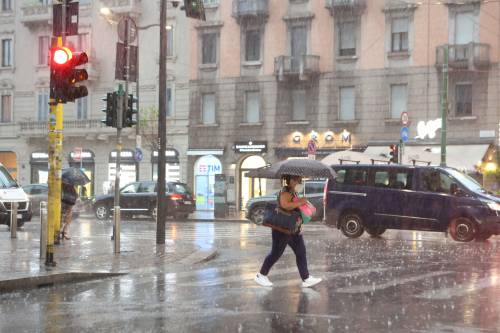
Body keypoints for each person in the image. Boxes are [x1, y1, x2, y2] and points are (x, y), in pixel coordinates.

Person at [255, 175, 322, 288]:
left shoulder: (292, 191)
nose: (300, 180)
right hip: (283, 228)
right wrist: (300, 202)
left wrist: (302, 203)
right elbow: (285, 205)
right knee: (276, 253)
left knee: (301, 252)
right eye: (297, 178)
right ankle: (261, 275)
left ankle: (306, 278)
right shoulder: (285, 191)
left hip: (292, 228)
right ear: (291, 180)